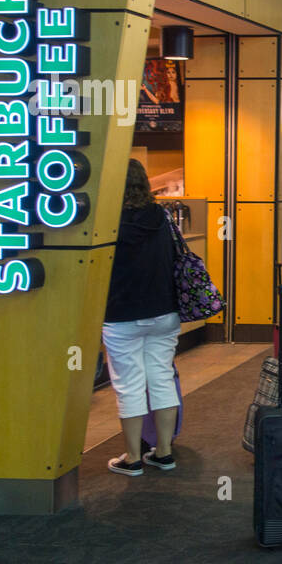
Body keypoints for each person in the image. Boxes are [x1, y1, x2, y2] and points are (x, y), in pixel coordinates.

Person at [104, 159, 182, 475]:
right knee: (161, 379)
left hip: (122, 314)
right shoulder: (162, 218)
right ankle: (163, 453)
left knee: (129, 386)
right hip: (164, 311)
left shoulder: (109, 223)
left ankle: (133, 458)